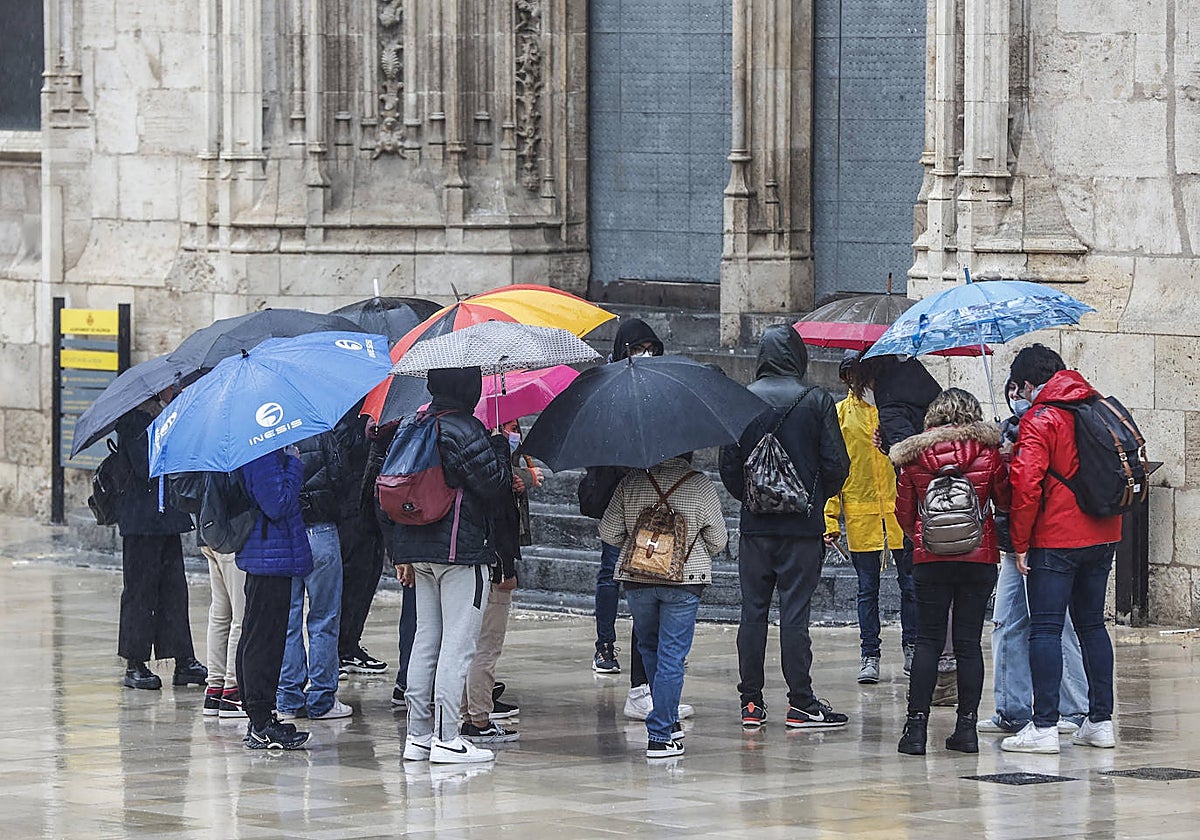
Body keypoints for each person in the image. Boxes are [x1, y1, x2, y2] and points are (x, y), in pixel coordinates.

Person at [719, 325, 850, 730]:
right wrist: (809, 500)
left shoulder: (742, 399)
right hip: (802, 530)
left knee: (752, 612)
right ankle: (801, 701)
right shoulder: (816, 400)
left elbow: (728, 466)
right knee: (796, 614)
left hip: (756, 529)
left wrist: (755, 499)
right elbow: (837, 466)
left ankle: (752, 703)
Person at [383, 367, 513, 765]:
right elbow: (495, 487)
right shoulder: (464, 428)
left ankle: (418, 735)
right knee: (458, 646)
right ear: (468, 388)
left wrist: (399, 551)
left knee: (426, 642)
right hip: (460, 553)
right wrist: (500, 449)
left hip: (418, 549)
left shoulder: (412, 424)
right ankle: (447, 737)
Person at [1001, 344, 1123, 754]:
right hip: (1104, 533)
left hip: (1056, 538)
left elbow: (1026, 486)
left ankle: (1045, 726)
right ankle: (1100, 721)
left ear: (1030, 384)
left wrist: (1019, 543)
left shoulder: (1041, 419)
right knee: (1092, 626)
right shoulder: (1097, 405)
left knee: (1046, 629)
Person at [579, 317, 694, 723]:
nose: (645, 353)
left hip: (658, 514)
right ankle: (633, 679)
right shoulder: (607, 390)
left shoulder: (664, 388)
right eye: (637, 346)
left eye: (650, 346)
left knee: (652, 600)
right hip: (624, 510)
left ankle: (653, 689)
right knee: (628, 588)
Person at [891, 388, 1010, 756]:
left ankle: (915, 731)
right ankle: (966, 730)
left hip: (931, 559)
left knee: (927, 642)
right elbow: (1004, 502)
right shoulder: (990, 453)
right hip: (979, 558)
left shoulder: (913, 455)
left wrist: (923, 538)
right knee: (968, 644)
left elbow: (904, 512)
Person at [979, 379, 1089, 736]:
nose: (1015, 398)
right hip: (1017, 541)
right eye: (1009, 391)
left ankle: (1075, 710)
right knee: (1006, 622)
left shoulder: (1052, 422)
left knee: (1056, 627)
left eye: (1018, 390)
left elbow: (1032, 487)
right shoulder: (1014, 429)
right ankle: (1012, 709)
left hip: (1041, 540)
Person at [600, 453, 728, 759]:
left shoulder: (631, 482)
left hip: (638, 579)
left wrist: (641, 542)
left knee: (649, 646)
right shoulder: (700, 484)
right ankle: (660, 733)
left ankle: (668, 723)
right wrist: (688, 547)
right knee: (673, 654)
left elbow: (608, 532)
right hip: (684, 581)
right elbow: (719, 539)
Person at [824, 350, 914, 685]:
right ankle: (869, 653)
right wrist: (830, 519)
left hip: (899, 511)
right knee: (867, 589)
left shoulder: (894, 410)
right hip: (861, 513)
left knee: (910, 585)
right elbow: (832, 469)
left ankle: (912, 645)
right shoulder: (840, 416)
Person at [114, 396, 207, 691]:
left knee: (174, 589)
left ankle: (183, 659)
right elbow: (146, 464)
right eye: (171, 386)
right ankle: (135, 662)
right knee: (140, 591)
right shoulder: (133, 422)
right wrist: (169, 429)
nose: (176, 389)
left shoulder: (169, 417)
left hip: (167, 518)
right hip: (141, 522)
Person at [460, 419, 540, 744]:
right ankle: (478, 719)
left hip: (470, 563)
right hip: (492, 565)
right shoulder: (492, 474)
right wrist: (506, 568)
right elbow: (501, 521)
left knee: (471, 644)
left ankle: (468, 713)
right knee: (487, 645)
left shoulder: (466, 460)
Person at [864, 353, 942, 684]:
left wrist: (892, 447)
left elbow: (910, 458)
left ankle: (925, 688)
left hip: (923, 512)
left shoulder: (891, 400)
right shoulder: (927, 389)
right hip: (958, 518)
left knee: (921, 589)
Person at [236, 445, 312, 750]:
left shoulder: (262, 451)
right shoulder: (260, 452)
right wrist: (293, 464)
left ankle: (260, 717)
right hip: (268, 557)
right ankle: (261, 722)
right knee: (263, 641)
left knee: (261, 636)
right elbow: (277, 503)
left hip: (272, 556)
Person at [276, 431, 354, 721]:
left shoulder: (271, 433)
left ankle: (288, 698)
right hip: (321, 529)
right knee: (324, 617)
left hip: (285, 532)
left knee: (288, 618)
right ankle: (322, 699)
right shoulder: (321, 429)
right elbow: (341, 475)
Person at [336, 408, 389, 676]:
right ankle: (342, 647)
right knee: (354, 576)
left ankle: (349, 642)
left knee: (368, 574)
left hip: (370, 502)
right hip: (352, 506)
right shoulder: (347, 412)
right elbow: (345, 448)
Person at [199, 540, 246, 718]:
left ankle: (215, 690)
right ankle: (233, 690)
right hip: (232, 535)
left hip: (210, 533)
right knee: (241, 617)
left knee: (220, 615)